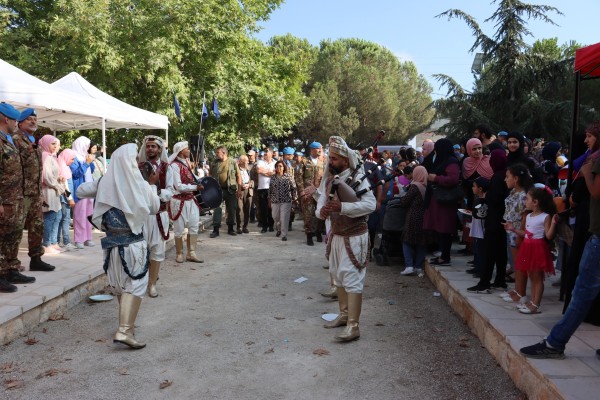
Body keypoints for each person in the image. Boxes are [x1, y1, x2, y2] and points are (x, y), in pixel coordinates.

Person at [77, 143, 160, 349]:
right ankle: (124, 330)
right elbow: (154, 208)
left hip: (111, 244)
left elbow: (80, 191)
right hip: (133, 243)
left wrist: (103, 186)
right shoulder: (139, 183)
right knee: (137, 284)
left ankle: (127, 327)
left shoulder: (105, 182)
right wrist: (150, 185)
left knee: (121, 284)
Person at [316, 136, 376, 342]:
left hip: (355, 236)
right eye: (329, 158)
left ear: (344, 160)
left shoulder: (359, 178)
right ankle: (343, 316)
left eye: (334, 159)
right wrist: (321, 212)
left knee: (352, 279)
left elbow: (370, 205)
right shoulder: (329, 180)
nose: (330, 162)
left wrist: (343, 207)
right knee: (339, 276)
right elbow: (320, 204)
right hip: (337, 235)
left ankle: (354, 326)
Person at [12, 108, 55, 271]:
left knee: (37, 226)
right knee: (15, 230)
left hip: (35, 192)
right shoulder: (16, 139)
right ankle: (11, 264)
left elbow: (36, 170)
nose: (33, 121)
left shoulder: (33, 140)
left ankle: (36, 259)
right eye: (29, 119)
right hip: (20, 193)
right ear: (20, 122)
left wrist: (40, 193)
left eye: (35, 119)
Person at [0, 103, 36, 292]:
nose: (16, 123)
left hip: (15, 198)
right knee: (2, 238)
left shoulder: (9, 140)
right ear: (7, 119)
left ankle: (11, 270)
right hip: (4, 200)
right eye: (15, 120)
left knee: (13, 236)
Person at [504, 185, 557, 314]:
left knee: (537, 277)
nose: (525, 201)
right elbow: (526, 233)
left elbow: (548, 236)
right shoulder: (528, 216)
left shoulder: (545, 217)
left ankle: (536, 304)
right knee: (532, 276)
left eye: (527, 199)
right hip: (527, 247)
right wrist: (513, 229)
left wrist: (554, 223)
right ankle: (532, 301)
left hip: (538, 248)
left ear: (535, 202)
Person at [468, 149, 509, 293]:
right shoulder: (505, 174)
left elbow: (495, 198)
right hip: (503, 220)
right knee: (500, 253)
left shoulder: (497, 177)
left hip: (494, 220)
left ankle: (484, 282)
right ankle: (500, 280)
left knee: (489, 252)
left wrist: (486, 197)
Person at [138, 135, 174, 297]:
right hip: (141, 215)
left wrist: (155, 191)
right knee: (140, 249)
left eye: (154, 146)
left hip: (159, 214)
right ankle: (141, 281)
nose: (150, 149)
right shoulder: (137, 167)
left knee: (157, 250)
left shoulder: (167, 168)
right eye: (148, 146)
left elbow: (170, 191)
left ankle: (152, 284)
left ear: (160, 149)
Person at [424, 139, 461, 266]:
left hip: (445, 200)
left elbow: (453, 179)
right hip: (438, 199)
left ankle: (445, 257)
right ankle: (443, 255)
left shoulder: (451, 162)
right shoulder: (442, 161)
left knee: (445, 229)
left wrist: (436, 178)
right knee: (440, 229)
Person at [499, 164, 533, 301]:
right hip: (511, 231)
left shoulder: (523, 195)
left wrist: (520, 234)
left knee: (520, 264)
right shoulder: (514, 192)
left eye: (508, 177)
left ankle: (521, 293)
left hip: (517, 232)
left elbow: (524, 215)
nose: (505, 179)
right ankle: (516, 290)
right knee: (515, 263)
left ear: (516, 178)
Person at [168, 141, 204, 263]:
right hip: (179, 201)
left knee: (194, 227)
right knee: (179, 229)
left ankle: (191, 253)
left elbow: (190, 179)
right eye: (187, 149)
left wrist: (200, 181)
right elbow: (178, 186)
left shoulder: (187, 163)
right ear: (180, 151)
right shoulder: (174, 166)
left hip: (191, 200)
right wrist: (195, 188)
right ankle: (179, 253)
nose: (189, 150)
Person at [398, 166, 427, 276]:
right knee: (421, 242)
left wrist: (401, 199)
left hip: (413, 216)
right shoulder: (426, 186)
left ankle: (409, 266)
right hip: (424, 217)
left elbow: (405, 201)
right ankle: (418, 266)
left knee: (406, 240)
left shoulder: (415, 186)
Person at [39, 135, 65, 256]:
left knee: (57, 216)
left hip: (53, 190)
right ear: (46, 144)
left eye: (56, 144)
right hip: (48, 190)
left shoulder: (51, 156)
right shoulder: (45, 155)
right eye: (52, 144)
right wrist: (58, 185)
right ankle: (46, 244)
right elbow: (47, 177)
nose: (55, 146)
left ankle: (53, 242)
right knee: (49, 217)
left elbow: (53, 174)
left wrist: (58, 179)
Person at [296, 141, 326, 245]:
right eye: (318, 149)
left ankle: (318, 231)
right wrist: (302, 191)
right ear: (312, 149)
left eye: (320, 149)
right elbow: (298, 177)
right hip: (307, 193)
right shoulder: (304, 162)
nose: (319, 151)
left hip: (319, 192)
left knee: (319, 213)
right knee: (308, 214)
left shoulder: (322, 163)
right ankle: (309, 234)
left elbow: (324, 178)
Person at [209, 145, 242, 237]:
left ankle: (231, 229)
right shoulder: (215, 163)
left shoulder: (232, 162)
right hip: (218, 190)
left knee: (231, 209)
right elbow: (210, 174)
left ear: (224, 153)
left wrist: (239, 190)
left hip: (230, 190)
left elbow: (238, 176)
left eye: (217, 152)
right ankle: (216, 230)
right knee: (217, 209)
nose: (216, 154)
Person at [70, 136, 96, 249]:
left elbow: (92, 170)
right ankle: (79, 239)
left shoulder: (85, 156)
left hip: (89, 190)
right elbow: (76, 174)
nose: (88, 147)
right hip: (80, 190)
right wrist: (86, 163)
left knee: (89, 215)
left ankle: (88, 238)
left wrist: (90, 162)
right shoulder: (73, 157)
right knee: (79, 215)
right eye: (86, 145)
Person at [466, 177, 490, 278]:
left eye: (474, 186)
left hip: (482, 228)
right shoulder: (478, 199)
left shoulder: (484, 200)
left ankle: (481, 270)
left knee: (481, 249)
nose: (472, 188)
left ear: (480, 188)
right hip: (477, 226)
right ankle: (478, 267)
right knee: (477, 248)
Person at [269, 160, 296, 241]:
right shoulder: (273, 177)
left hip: (286, 200)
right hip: (275, 200)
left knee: (284, 218)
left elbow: (293, 188)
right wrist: (269, 199)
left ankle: (284, 235)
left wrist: (295, 198)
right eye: (277, 166)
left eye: (280, 166)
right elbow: (270, 189)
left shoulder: (288, 176)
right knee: (275, 216)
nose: (279, 168)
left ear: (284, 167)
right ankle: (279, 229)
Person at [56, 148, 77, 251]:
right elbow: (65, 187)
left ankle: (58, 240)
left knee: (62, 219)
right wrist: (70, 199)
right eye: (72, 159)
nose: (73, 161)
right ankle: (66, 242)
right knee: (65, 219)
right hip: (65, 199)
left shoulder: (64, 167)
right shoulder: (62, 168)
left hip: (65, 198)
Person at [256, 147, 276, 233]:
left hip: (272, 188)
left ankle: (271, 225)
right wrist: (270, 173)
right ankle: (264, 226)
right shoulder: (260, 162)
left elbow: (275, 173)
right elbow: (259, 170)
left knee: (271, 208)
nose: (264, 154)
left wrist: (265, 172)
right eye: (264, 153)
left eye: (266, 153)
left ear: (271, 154)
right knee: (263, 208)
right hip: (262, 188)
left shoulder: (275, 162)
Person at [236, 155, 252, 234]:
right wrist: (240, 185)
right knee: (239, 209)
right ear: (241, 162)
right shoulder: (236, 169)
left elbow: (253, 180)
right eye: (246, 160)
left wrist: (249, 184)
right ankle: (238, 226)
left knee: (247, 209)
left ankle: (245, 226)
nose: (248, 162)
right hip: (239, 190)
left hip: (248, 191)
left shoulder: (249, 170)